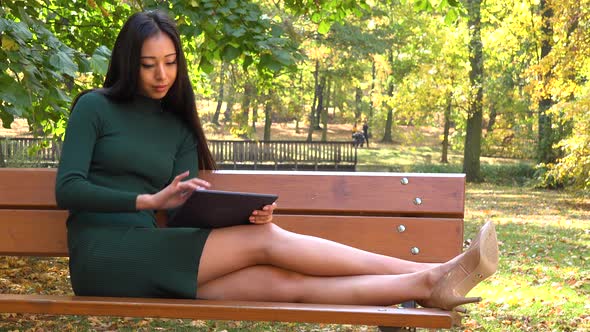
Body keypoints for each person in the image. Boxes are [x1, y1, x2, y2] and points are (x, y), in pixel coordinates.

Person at [55, 10, 499, 310]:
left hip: (156, 255)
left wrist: (238, 215)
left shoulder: (179, 126)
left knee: (283, 284)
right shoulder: (94, 108)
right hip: (101, 256)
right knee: (268, 241)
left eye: (170, 63)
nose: (161, 75)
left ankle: (426, 286)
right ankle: (436, 268)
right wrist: (147, 202)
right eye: (149, 64)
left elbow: (181, 213)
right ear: (129, 62)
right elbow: (68, 189)